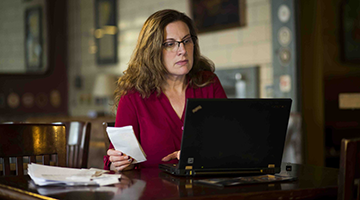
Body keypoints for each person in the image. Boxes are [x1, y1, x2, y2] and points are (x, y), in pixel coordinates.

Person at [104, 9, 227, 171]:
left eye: (187, 40)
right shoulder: (133, 96)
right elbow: (115, 163)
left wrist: (199, 155)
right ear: (152, 51)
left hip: (206, 190)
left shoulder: (209, 83)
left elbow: (229, 141)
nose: (182, 50)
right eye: (170, 44)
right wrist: (119, 163)